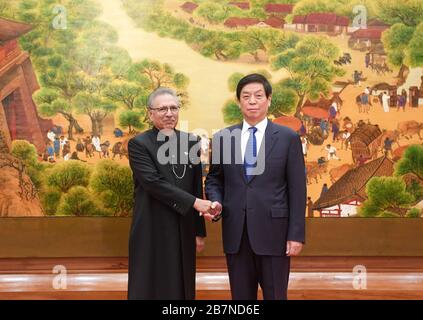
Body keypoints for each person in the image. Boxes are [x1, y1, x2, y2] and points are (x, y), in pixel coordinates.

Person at [205, 74, 306, 300]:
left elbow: (298, 189)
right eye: (246, 96)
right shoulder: (224, 138)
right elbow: (214, 179)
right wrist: (216, 200)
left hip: (275, 235)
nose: (252, 101)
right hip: (236, 235)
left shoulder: (287, 138)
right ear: (239, 102)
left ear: (268, 100)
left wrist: (296, 235)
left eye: (258, 96)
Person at [127, 88, 207, 300]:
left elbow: (196, 186)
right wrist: (195, 203)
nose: (169, 113)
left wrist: (199, 231)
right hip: (152, 226)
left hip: (184, 225)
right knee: (150, 284)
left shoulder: (191, 141)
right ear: (150, 113)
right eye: (162, 109)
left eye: (174, 108)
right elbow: (152, 182)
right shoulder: (139, 144)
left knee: (182, 285)